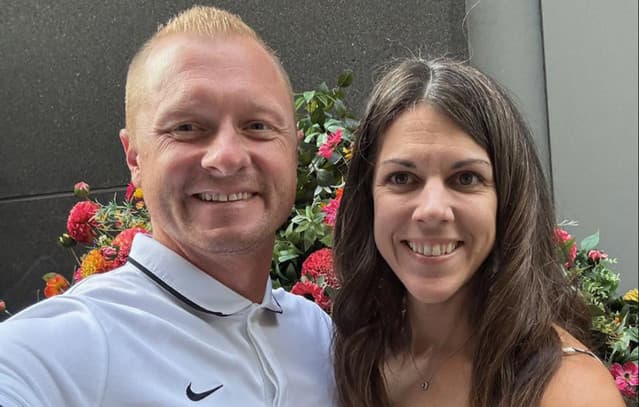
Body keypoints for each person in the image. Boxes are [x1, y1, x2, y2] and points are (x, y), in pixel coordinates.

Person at [0, 6, 334, 406]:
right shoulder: (76, 343)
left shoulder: (317, 333)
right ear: (135, 157)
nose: (227, 157)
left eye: (258, 126)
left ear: (293, 146)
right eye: (186, 128)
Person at [331, 57, 625, 406]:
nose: (432, 210)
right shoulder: (361, 359)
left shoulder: (570, 391)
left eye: (466, 178)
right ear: (368, 199)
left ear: (508, 200)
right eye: (402, 178)